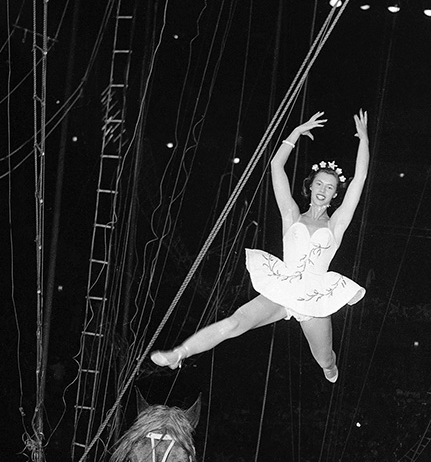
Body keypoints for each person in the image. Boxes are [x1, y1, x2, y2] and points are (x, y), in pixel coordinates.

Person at [151, 110, 370, 382]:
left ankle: (329, 365)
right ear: (310, 186)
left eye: (330, 186)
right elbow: (276, 168)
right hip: (282, 286)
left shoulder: (336, 224)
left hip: (315, 295)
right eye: (319, 183)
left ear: (336, 193)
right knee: (235, 322)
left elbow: (359, 180)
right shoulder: (291, 215)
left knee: (323, 357)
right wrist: (295, 133)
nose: (323, 189)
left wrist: (363, 140)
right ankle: (179, 353)